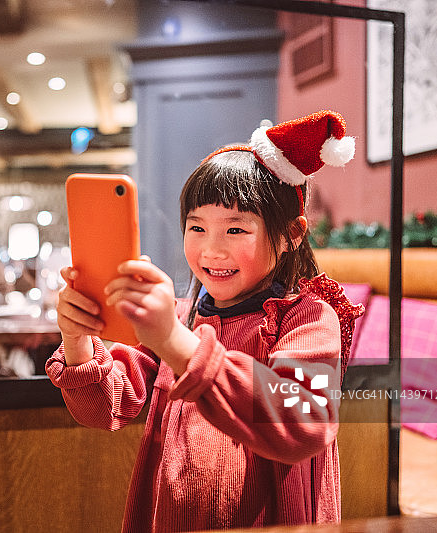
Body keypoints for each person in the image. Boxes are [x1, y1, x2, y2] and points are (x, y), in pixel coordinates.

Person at [46, 110, 364, 531]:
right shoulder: (183, 315)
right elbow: (103, 408)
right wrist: (77, 339)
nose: (211, 251)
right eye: (196, 227)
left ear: (292, 234)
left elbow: (303, 421)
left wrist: (175, 341)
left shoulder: (307, 317)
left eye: (235, 230)